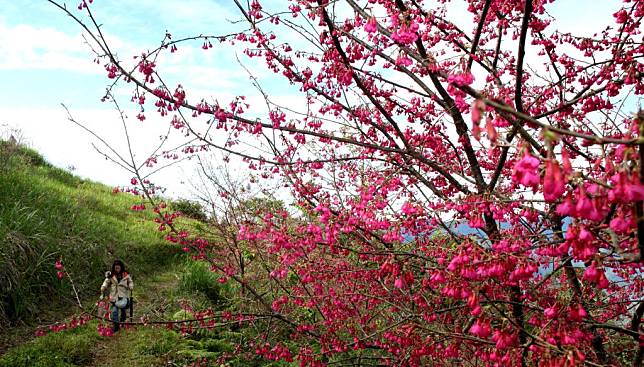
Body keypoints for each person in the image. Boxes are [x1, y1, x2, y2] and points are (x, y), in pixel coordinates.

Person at [100, 259, 134, 332]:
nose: (117, 269)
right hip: (114, 296)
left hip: (123, 295)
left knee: (122, 308)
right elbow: (106, 281)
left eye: (118, 268)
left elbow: (130, 281)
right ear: (114, 268)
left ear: (121, 267)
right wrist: (103, 287)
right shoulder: (111, 275)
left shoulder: (125, 275)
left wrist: (131, 286)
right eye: (116, 268)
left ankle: (123, 318)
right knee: (114, 311)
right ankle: (116, 326)